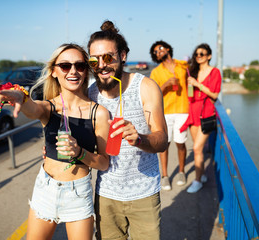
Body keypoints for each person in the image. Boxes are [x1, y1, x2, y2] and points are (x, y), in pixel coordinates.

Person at [0, 43, 110, 240]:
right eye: (65, 66)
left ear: (86, 70)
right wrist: (16, 95)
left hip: (78, 193)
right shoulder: (49, 107)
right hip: (46, 189)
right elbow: (32, 108)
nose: (73, 71)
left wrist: (80, 153)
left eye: (80, 65)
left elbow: (104, 162)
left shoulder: (98, 113)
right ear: (54, 72)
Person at [87, 20, 168, 240]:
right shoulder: (91, 95)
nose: (101, 65)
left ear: (123, 55)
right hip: (105, 195)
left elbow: (162, 140)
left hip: (144, 193)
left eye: (108, 57)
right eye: (94, 60)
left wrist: (140, 139)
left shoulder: (145, 87)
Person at [180, 43, 222, 193]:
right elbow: (191, 95)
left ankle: (197, 181)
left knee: (197, 148)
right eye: (197, 54)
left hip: (206, 113)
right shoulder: (193, 72)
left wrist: (197, 84)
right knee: (199, 150)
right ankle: (202, 174)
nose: (199, 56)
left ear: (209, 56)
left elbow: (215, 95)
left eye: (202, 54)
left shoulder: (215, 72)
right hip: (194, 112)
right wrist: (190, 85)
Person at [149, 40, 189, 191]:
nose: (158, 52)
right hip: (165, 111)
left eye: (159, 49)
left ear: (167, 48)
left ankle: (181, 172)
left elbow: (191, 77)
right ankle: (165, 176)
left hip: (183, 109)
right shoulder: (156, 72)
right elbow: (153, 93)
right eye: (155, 52)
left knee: (180, 142)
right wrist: (165, 84)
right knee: (165, 145)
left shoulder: (182, 65)